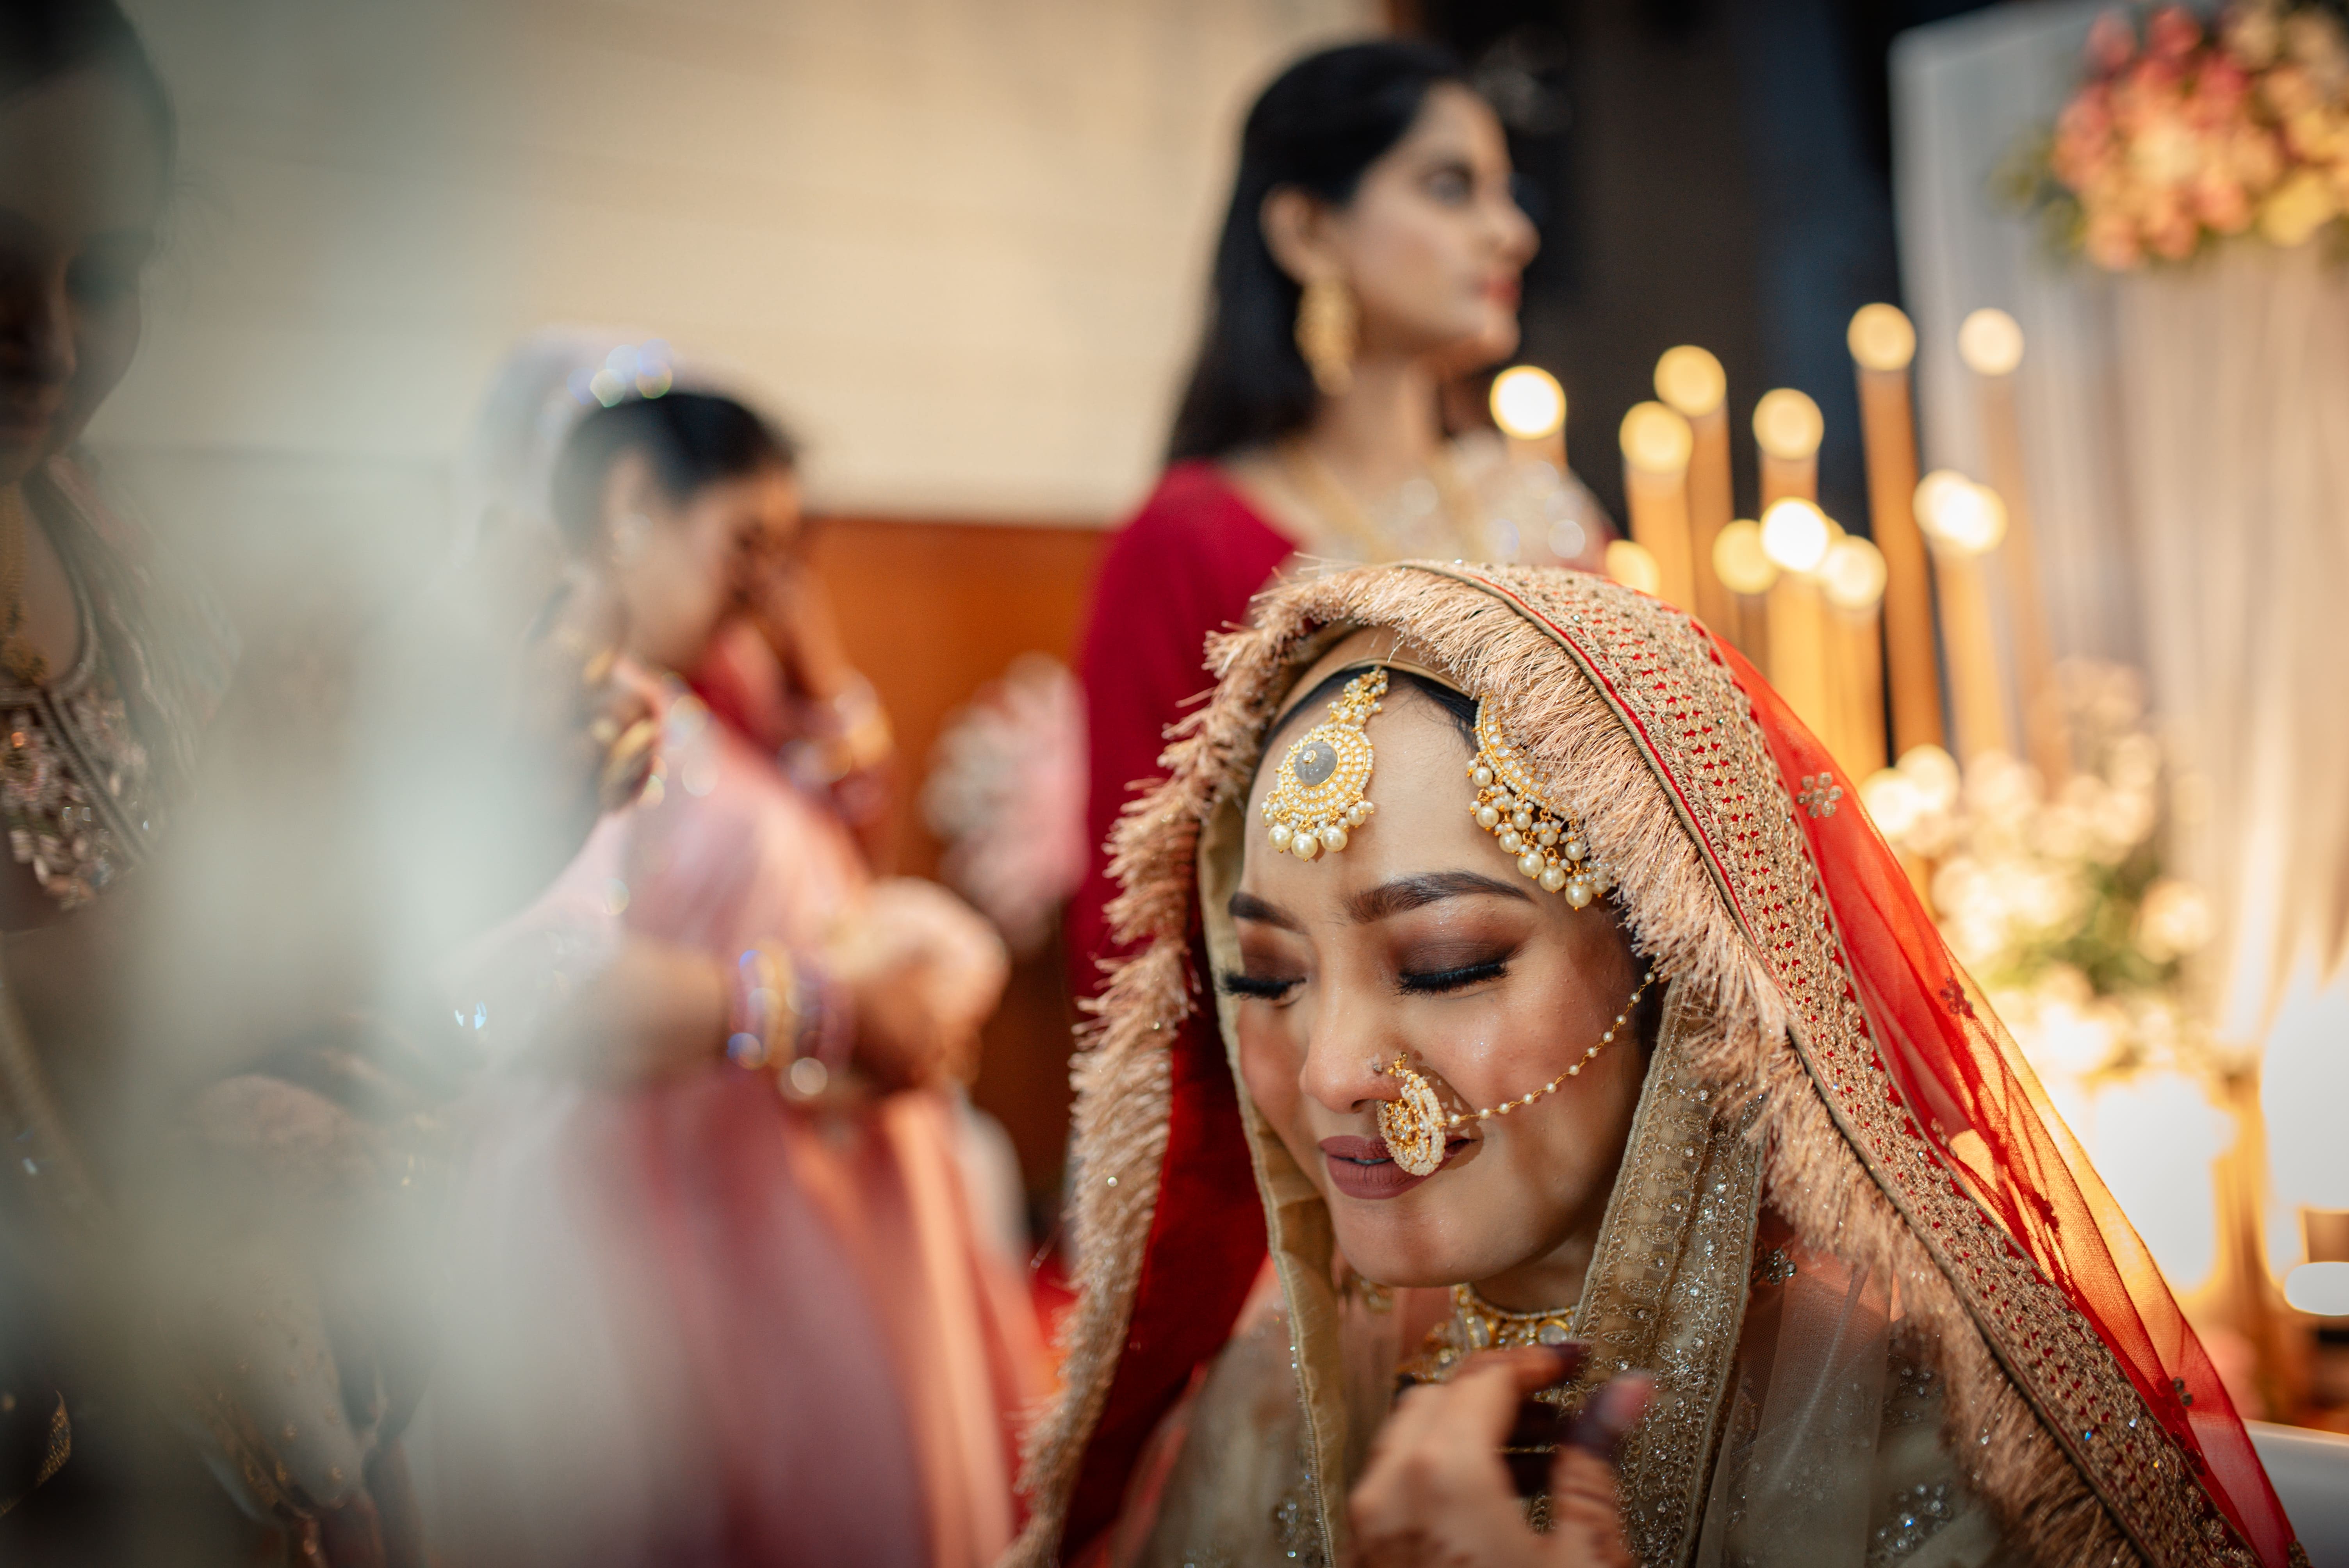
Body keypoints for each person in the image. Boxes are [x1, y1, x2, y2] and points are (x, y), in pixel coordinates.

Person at [1009, 563, 2301, 1567]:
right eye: (1269, 980)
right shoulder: (1265, 1413)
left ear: (1681, 977)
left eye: (1446, 960)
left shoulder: (1943, 1450)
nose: (1332, 1067)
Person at [420, 382, 1048, 1568]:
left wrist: (809, 663)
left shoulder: (694, 706)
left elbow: (836, 847)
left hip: (764, 1193)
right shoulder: (577, 716)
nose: (768, 588)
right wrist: (833, 1013)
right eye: (747, 546)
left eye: (787, 556)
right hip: (661, 1224)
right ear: (631, 502)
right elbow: (529, 981)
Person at [1069, 37, 1604, 1018]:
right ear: (1309, 232)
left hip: (1566, 1054)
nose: (1510, 234)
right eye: (1450, 188)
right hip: (1318, 1088)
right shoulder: (1192, 539)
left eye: (1504, 192)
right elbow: (1134, 923)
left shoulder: (1549, 516)